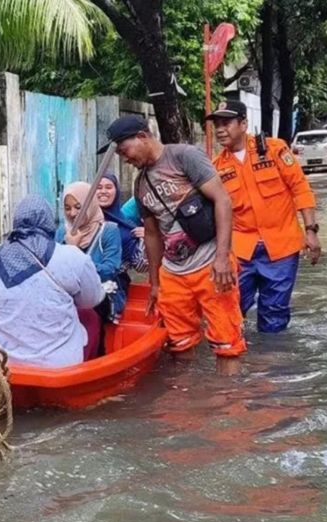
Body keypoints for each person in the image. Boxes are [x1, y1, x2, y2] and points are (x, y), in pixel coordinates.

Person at [99, 115, 246, 363]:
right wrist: (155, 283)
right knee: (179, 344)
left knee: (227, 344)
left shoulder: (184, 157)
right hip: (173, 272)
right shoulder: (140, 184)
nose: (125, 159)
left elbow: (223, 200)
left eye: (124, 151)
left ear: (142, 137)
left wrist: (222, 258)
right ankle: (185, 388)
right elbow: (152, 234)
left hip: (210, 262)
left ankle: (228, 388)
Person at [207, 100, 321, 333]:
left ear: (243, 124)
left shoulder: (274, 150)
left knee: (274, 315)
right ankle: (235, 353)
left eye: (226, 123)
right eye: (216, 124)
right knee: (230, 310)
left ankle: (271, 355)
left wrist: (311, 231)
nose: (220, 129)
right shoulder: (215, 168)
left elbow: (300, 188)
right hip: (240, 251)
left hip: (281, 248)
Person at [0, 196, 104, 367]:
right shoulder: (72, 256)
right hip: (57, 364)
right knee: (91, 317)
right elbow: (91, 300)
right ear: (49, 223)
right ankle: (89, 372)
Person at [56, 182, 126, 355]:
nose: (72, 214)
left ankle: (97, 353)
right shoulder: (62, 232)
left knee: (89, 309)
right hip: (69, 288)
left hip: (103, 288)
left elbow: (110, 269)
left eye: (78, 207)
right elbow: (53, 267)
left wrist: (74, 251)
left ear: (90, 205)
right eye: (67, 208)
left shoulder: (108, 231)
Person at [95, 171, 147, 271]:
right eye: (98, 187)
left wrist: (148, 238)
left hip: (116, 279)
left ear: (117, 191)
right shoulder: (83, 222)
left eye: (108, 187)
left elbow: (141, 267)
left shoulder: (126, 225)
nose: (103, 191)